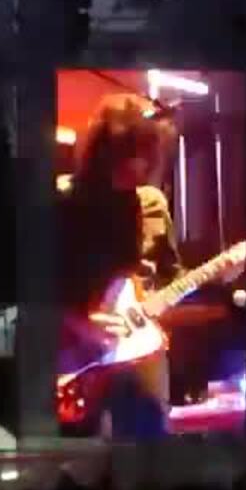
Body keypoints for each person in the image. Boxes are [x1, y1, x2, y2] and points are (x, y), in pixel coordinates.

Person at [57, 94, 181, 440]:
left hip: (140, 352)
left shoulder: (150, 203)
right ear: (103, 153)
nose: (139, 166)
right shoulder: (62, 201)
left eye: (146, 155)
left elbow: (171, 276)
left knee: (149, 448)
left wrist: (218, 276)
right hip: (75, 359)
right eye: (129, 154)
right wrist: (80, 324)